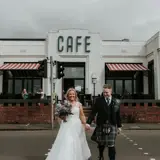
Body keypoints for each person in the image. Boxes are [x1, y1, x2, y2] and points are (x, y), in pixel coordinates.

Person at [45, 88, 91, 160]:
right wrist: (62, 118)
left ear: (75, 95)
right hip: (67, 125)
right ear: (67, 95)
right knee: (68, 141)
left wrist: (85, 124)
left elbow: (82, 115)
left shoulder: (79, 104)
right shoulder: (64, 104)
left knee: (77, 141)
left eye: (73, 94)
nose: (71, 95)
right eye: (70, 94)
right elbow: (58, 115)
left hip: (77, 126)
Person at [86, 84, 122, 160]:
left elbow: (118, 115)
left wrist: (119, 126)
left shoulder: (116, 101)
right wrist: (88, 123)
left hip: (112, 125)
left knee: (111, 144)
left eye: (107, 92)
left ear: (111, 91)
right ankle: (101, 155)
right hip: (101, 124)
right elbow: (93, 112)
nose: (105, 94)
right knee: (101, 143)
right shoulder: (99, 101)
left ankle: (112, 159)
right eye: (104, 92)